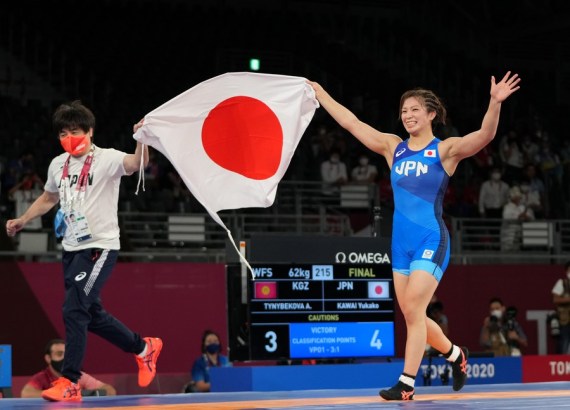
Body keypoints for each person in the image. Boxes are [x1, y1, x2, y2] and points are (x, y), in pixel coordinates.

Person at [309, 71, 520, 401]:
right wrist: (322, 94)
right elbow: (351, 123)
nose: (407, 115)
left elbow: (485, 136)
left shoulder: (445, 150)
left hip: (430, 241)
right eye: (404, 111)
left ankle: (407, 383)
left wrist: (494, 103)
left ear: (431, 114)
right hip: (401, 245)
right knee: (413, 314)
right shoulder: (393, 147)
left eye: (414, 110)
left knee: (413, 308)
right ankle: (455, 355)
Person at [5, 100, 162, 402]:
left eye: (75, 132)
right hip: (72, 249)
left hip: (99, 247)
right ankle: (145, 348)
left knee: (73, 309)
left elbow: (137, 164)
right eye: (63, 133)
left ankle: (71, 380)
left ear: (90, 131)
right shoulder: (57, 164)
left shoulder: (106, 158)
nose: (69, 138)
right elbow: (49, 198)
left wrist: (141, 140)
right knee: (91, 314)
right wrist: (23, 219)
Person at [20, 339, 116, 398]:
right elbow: (26, 394)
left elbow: (110, 391)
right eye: (59, 354)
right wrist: (57, 394)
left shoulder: (78, 375)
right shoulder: (41, 378)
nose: (64, 358)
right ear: (48, 358)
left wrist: (83, 394)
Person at [501, 185, 535, 251]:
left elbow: (531, 216)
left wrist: (527, 217)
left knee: (517, 252)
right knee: (507, 252)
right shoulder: (507, 207)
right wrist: (519, 216)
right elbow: (507, 217)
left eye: (519, 197)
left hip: (519, 235)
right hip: (508, 235)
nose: (519, 198)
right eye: (517, 197)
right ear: (512, 198)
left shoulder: (522, 207)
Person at [551, 261, 570, 354]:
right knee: (564, 344)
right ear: (567, 272)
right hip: (565, 320)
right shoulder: (562, 283)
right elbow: (555, 299)